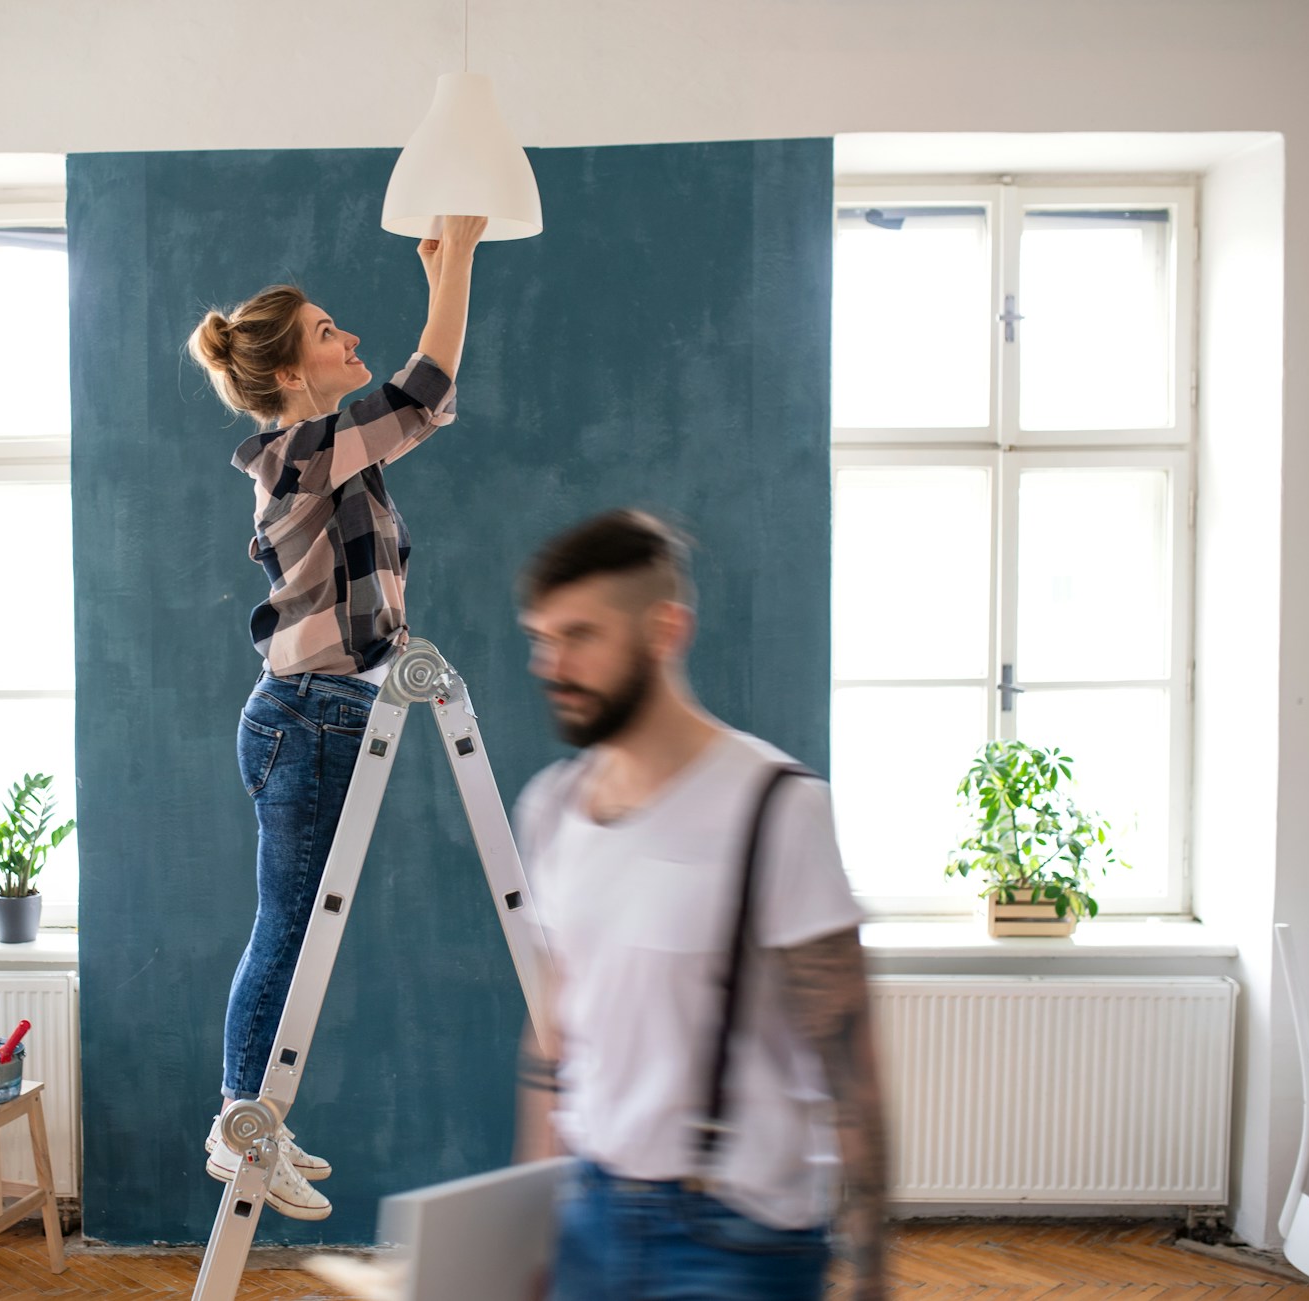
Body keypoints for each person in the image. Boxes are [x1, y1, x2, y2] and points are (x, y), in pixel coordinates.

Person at [185, 214, 489, 1220]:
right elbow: (427, 391)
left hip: (323, 711)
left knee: (298, 927)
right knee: (289, 927)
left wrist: (396, 643)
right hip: (304, 717)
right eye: (327, 333)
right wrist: (463, 255)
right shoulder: (299, 455)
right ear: (287, 376)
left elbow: (359, 598)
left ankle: (254, 1117)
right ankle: (242, 1123)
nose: (348, 338)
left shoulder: (335, 461)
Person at [511, 510, 888, 1300]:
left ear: (664, 630)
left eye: (581, 634)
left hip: (735, 1238)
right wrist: (528, 1222)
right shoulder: (551, 808)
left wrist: (872, 1267)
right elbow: (553, 1032)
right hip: (590, 1217)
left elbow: (851, 1062)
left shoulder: (778, 806)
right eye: (541, 637)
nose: (552, 662)